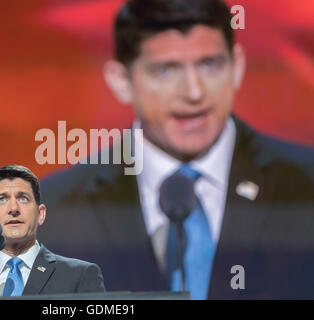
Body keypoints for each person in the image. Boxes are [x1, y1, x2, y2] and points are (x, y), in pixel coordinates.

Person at [38, 0, 314, 299]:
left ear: (237, 66)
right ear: (121, 81)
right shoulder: (54, 213)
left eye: (210, 65)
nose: (194, 92)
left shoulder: (306, 186)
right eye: (166, 70)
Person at [0, 165, 105, 298]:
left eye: (23, 198)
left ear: (40, 214)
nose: (13, 209)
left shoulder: (79, 277)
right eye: (2, 199)